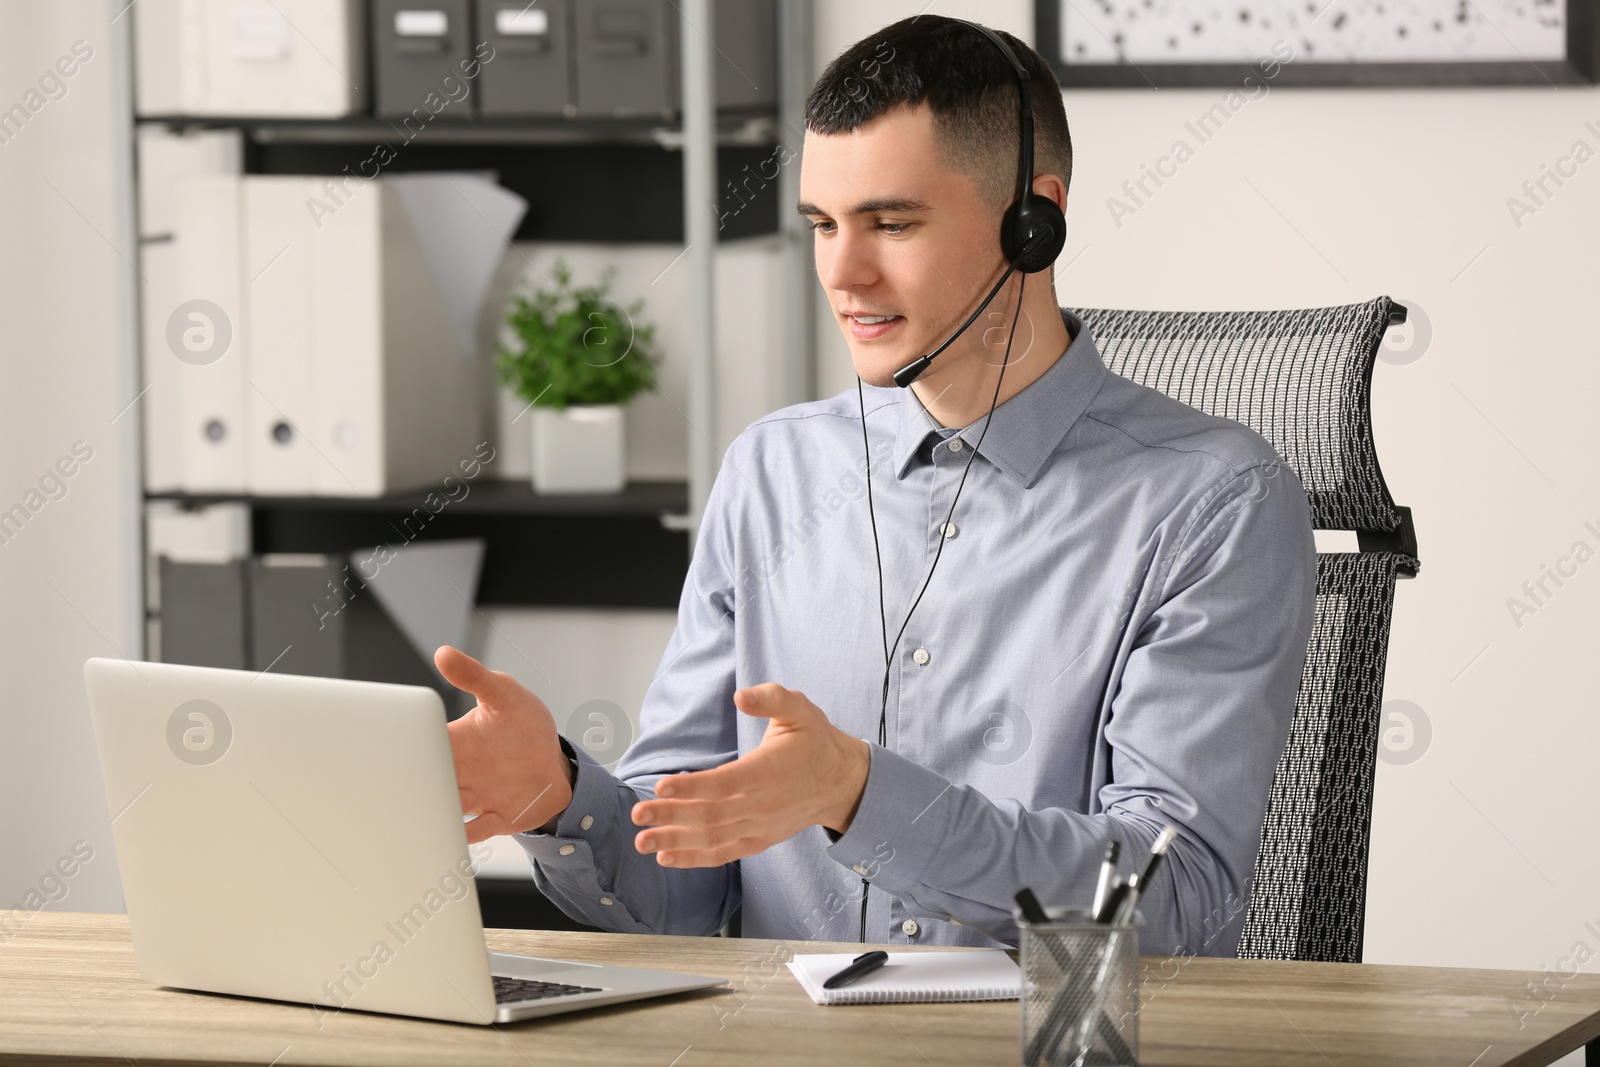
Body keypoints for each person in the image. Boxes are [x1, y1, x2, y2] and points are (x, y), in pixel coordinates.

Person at [435, 15, 1315, 957]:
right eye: (822, 224)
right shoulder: (773, 472)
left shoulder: (1214, 504)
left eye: (892, 223)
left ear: (1034, 220)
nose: (844, 273)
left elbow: (1169, 901)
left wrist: (858, 794)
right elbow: (685, 892)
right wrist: (559, 796)